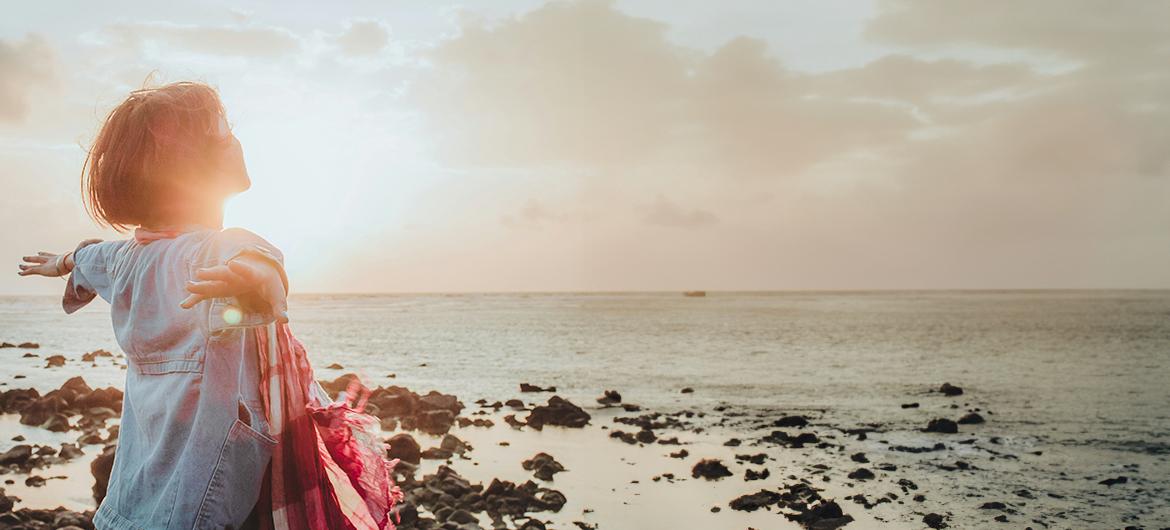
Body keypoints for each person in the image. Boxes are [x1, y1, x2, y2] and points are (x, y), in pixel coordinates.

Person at [17, 81, 290, 530]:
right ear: (186, 166)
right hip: (208, 494)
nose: (235, 139)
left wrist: (62, 262)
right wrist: (252, 279)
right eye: (222, 131)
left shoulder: (126, 258)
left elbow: (90, 257)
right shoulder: (219, 250)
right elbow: (260, 265)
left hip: (137, 491)